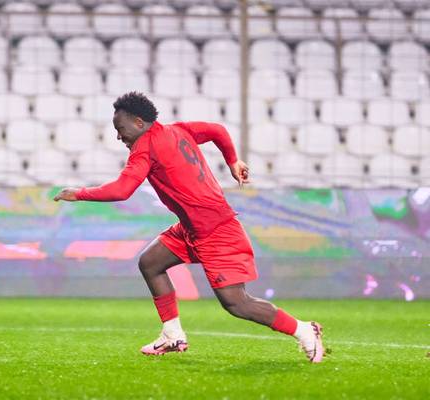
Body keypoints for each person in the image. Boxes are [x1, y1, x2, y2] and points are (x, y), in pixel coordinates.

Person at [53, 92, 325, 363]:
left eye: (120, 129)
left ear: (138, 122)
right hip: (192, 228)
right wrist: (232, 160)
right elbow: (217, 130)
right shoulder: (178, 130)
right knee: (150, 262)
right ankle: (172, 335)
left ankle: (305, 330)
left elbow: (123, 190)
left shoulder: (144, 149)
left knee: (237, 303)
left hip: (217, 231)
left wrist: (79, 193)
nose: (118, 136)